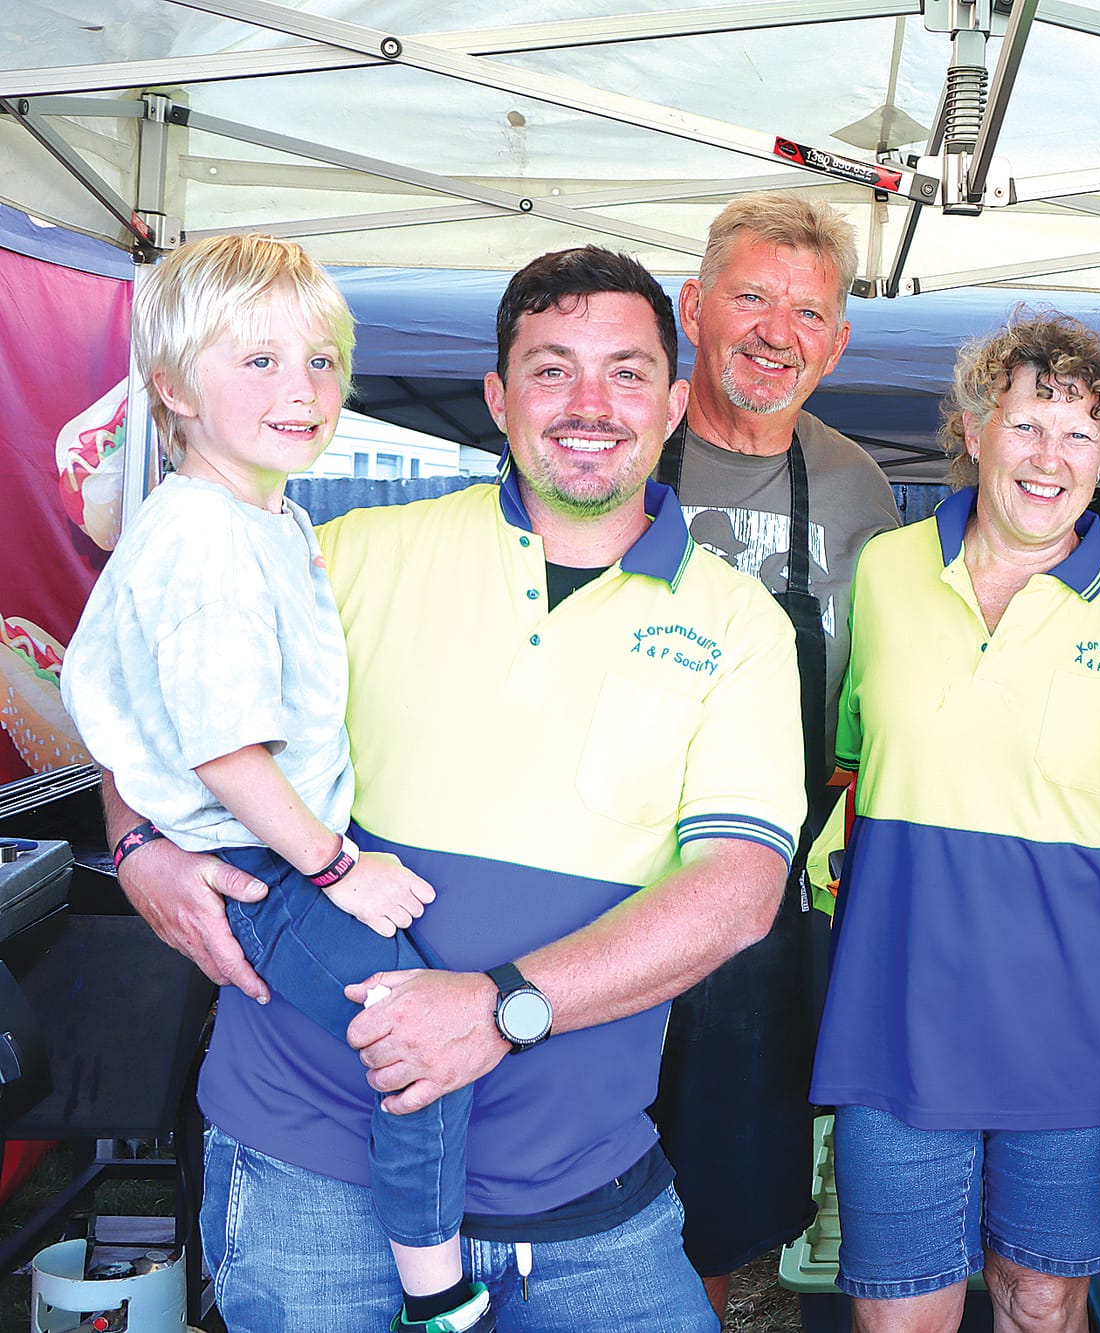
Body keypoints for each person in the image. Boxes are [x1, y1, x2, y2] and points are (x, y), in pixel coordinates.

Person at [105, 244, 806, 1332]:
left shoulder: (738, 623)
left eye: (624, 372)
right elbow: (156, 685)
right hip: (307, 1162)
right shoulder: (338, 552)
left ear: (674, 402)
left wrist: (501, 1008)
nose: (588, 404)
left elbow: (739, 891)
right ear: (495, 397)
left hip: (579, 1189)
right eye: (549, 369)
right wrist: (137, 841)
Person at [61, 232, 491, 1333]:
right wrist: (336, 865)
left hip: (266, 842)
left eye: (321, 361)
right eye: (257, 361)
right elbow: (221, 749)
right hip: (267, 859)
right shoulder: (206, 539)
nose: (301, 388)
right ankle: (436, 1285)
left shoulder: (266, 519)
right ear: (170, 388)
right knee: (416, 1038)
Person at [809, 312, 1100, 1333]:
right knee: (901, 1315)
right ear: (973, 430)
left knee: (1042, 1300)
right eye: (1029, 424)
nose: (1050, 457)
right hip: (896, 1012)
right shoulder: (884, 574)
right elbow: (850, 767)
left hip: (1074, 1033)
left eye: (1079, 434)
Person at [644, 193, 901, 1315]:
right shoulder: (621, 445)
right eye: (749, 297)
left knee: (728, 1202)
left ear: (836, 343)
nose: (773, 330)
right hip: (594, 875)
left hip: (758, 905)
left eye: (806, 311)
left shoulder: (858, 489)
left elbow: (881, 703)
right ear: (693, 309)